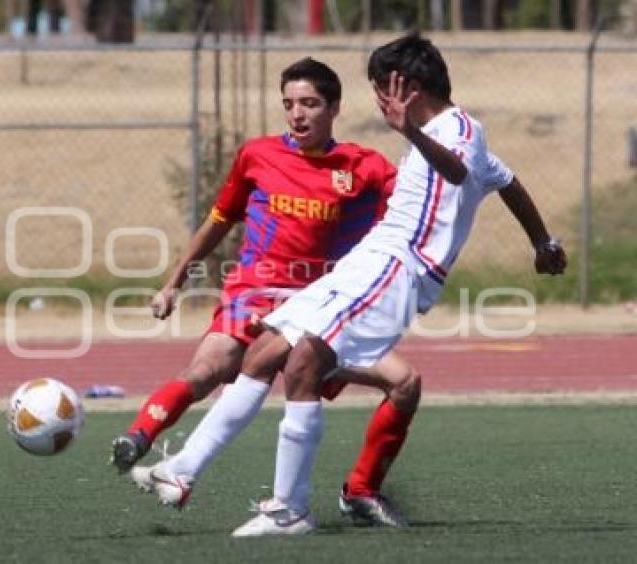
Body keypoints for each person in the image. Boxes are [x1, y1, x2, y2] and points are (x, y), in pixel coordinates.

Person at [135, 33, 567, 536]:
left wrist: (410, 133)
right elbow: (507, 182)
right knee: (265, 352)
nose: (380, 99)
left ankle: (289, 509)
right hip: (370, 262)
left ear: (410, 87)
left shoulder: (459, 128)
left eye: (384, 88)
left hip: (400, 268)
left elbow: (452, 173)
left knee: (304, 361)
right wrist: (543, 242)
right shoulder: (459, 138)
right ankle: (183, 470)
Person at [109, 57, 398, 474]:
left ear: (335, 109)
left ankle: (362, 490)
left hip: (317, 304)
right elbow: (218, 221)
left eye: (310, 103)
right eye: (289, 103)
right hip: (254, 293)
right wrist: (173, 282)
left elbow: (413, 205)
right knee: (208, 369)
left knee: (401, 382)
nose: (297, 114)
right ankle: (137, 437)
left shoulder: (364, 167)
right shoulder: (258, 155)